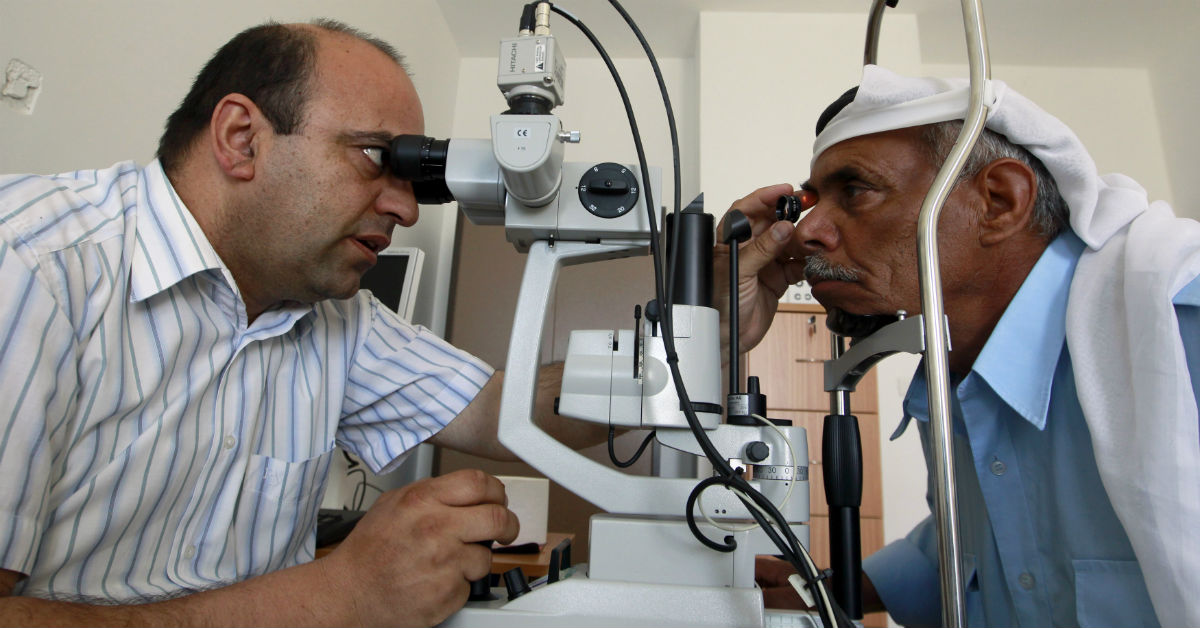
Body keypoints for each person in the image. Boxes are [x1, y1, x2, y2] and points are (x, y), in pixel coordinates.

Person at [0, 19, 604, 626]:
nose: (407, 208)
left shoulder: (333, 315)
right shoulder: (31, 261)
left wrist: (685, 354)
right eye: (377, 157)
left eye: (412, 177)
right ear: (241, 139)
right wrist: (340, 594)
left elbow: (505, 412)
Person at [731, 66, 1200, 627]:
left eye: (855, 191)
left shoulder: (1173, 329)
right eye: (812, 200)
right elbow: (983, 543)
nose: (808, 230)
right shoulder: (953, 369)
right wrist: (826, 589)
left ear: (999, 202)